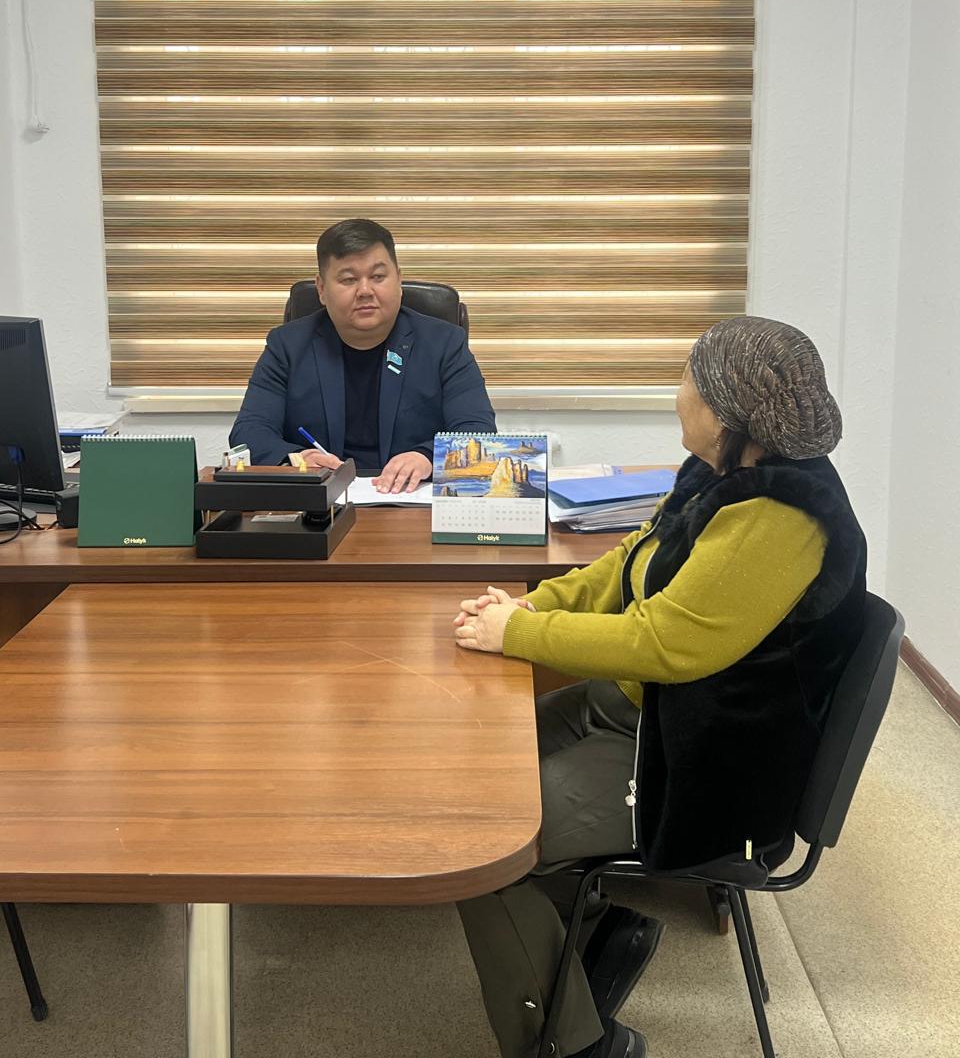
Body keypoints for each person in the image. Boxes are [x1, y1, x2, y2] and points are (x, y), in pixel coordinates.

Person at [452, 316, 867, 1058]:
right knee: (476, 766)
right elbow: (626, 566)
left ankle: (577, 1046)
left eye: (686, 379)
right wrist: (532, 607)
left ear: (727, 412)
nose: (677, 393)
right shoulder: (719, 474)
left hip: (707, 761)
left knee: (482, 840)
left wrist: (517, 636)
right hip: (646, 711)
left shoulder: (779, 516)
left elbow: (664, 641)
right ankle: (590, 940)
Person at [229, 218, 496, 492]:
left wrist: (427, 457)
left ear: (399, 280)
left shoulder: (445, 343)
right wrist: (297, 459)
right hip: (321, 502)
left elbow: (478, 429)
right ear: (322, 289)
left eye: (378, 277)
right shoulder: (287, 346)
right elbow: (249, 432)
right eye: (349, 279)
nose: (365, 291)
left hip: (411, 499)